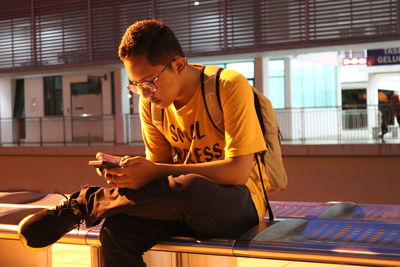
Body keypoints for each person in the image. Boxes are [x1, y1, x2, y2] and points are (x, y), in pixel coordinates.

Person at [18, 20, 267, 267]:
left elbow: (237, 172)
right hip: (179, 202)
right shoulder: (151, 104)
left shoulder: (228, 85)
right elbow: (161, 181)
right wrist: (132, 175)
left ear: (179, 65)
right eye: (136, 85)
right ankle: (84, 206)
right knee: (117, 231)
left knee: (191, 186)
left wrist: (155, 171)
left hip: (238, 204)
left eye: (149, 82)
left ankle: (84, 204)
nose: (145, 93)